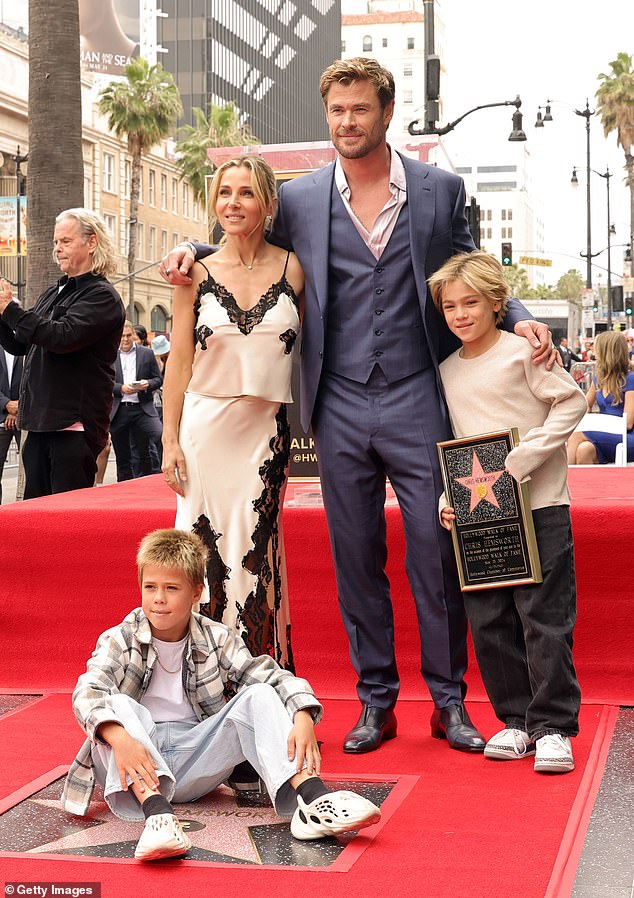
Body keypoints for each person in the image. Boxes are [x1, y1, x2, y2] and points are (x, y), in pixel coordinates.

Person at [160, 58, 556, 755]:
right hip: (338, 399)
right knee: (356, 556)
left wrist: (517, 314)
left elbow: (474, 262)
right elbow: (246, 238)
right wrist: (191, 253)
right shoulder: (303, 196)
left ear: (386, 111)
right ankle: (376, 702)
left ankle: (448, 701)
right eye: (337, 111)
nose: (347, 121)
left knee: (437, 553)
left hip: (416, 394)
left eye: (360, 110)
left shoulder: (440, 190)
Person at [61, 528, 380, 861]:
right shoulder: (119, 638)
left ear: (197, 591)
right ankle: (158, 817)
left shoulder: (216, 636)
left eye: (171, 588)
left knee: (258, 693)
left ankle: (313, 803)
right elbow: (88, 691)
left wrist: (301, 716)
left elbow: (269, 675)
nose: (158, 599)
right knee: (117, 704)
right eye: (150, 587)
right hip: (137, 762)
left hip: (197, 759)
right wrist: (121, 740)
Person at [429, 251, 586, 773]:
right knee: (490, 620)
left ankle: (554, 727)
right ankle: (516, 720)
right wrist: (450, 496)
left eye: (471, 302)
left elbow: (571, 402)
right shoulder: (447, 370)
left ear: (498, 303)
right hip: (481, 512)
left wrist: (523, 459)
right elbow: (458, 441)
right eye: (449, 306)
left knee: (543, 616)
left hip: (539, 504)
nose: (460, 314)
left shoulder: (523, 352)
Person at [161, 155, 304, 674]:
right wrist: (170, 440)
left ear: (268, 203)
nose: (233, 203)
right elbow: (178, 362)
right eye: (224, 193)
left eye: (245, 193)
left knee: (256, 550)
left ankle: (262, 678)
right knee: (203, 550)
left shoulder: (295, 268)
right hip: (204, 431)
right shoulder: (193, 274)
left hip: (265, 435)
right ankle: (200, 680)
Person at [0, 208, 125, 499]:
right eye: (57, 242)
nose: (58, 249)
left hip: (73, 427)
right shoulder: (54, 291)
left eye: (66, 241)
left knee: (67, 520)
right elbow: (21, 344)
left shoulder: (102, 295)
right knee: (36, 514)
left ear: (91, 242)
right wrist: (2, 315)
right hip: (40, 424)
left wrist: (10, 308)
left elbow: (62, 337)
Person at [567, 330, 634, 464]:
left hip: (626, 437)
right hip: (605, 435)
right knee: (584, 450)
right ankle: (583, 485)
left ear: (606, 352)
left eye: (597, 349)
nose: (594, 353)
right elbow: (584, 406)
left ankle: (559, 481)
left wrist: (596, 423)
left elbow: (628, 423)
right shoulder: (599, 378)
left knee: (576, 436)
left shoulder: (631, 378)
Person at [110, 320, 163, 480]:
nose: (125, 339)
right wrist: (121, 388)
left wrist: (147, 384)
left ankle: (152, 480)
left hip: (143, 408)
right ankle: (122, 490)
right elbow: (104, 381)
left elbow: (158, 379)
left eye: (128, 335)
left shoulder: (145, 353)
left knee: (156, 438)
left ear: (133, 334)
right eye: (122, 336)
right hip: (120, 410)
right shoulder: (110, 355)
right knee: (122, 456)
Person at [0, 347, 22, 503]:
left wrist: (18, 407)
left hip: (26, 417)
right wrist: (6, 404)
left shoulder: (28, 341)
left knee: (32, 472)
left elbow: (35, 380)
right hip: (1, 416)